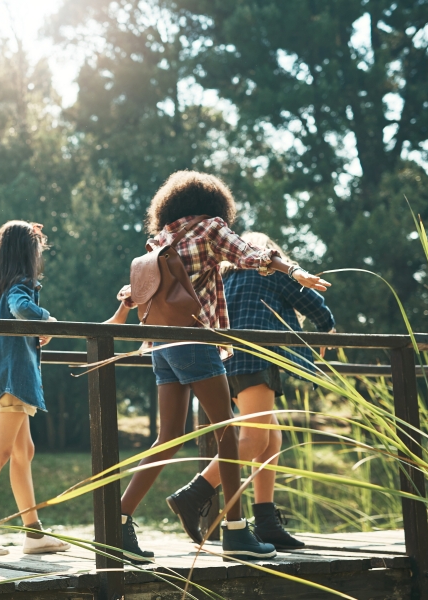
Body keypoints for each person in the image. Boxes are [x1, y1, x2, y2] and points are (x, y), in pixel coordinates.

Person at [106, 171, 330, 562]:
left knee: (168, 436)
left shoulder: (160, 239)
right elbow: (253, 255)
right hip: (195, 341)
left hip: (161, 345)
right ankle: (236, 533)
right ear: (215, 204)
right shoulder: (211, 229)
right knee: (228, 433)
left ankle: (117, 521)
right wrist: (294, 271)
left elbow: (138, 292)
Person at [175, 232, 335, 551]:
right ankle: (192, 496)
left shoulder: (226, 276)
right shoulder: (270, 269)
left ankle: (265, 523)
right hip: (255, 357)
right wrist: (327, 327)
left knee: (271, 437)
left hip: (226, 361)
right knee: (255, 438)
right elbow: (310, 300)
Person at [0, 221, 72, 558]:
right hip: (13, 377)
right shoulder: (21, 284)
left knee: (24, 452)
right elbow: (22, 308)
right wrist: (47, 321)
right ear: (26, 254)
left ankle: (33, 533)